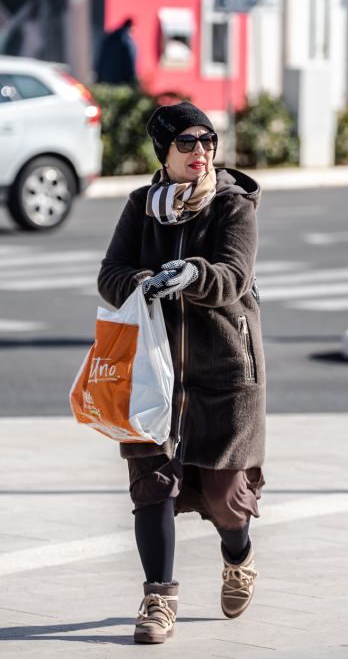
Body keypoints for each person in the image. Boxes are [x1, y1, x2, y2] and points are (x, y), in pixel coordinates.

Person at [97, 102, 265, 645]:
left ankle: (238, 555)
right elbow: (110, 274)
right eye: (187, 142)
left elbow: (234, 276)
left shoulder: (232, 204)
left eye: (207, 140)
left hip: (224, 369)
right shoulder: (141, 206)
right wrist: (143, 282)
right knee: (152, 485)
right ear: (164, 153)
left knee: (225, 496)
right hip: (153, 370)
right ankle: (158, 599)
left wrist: (193, 273)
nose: (201, 152)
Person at [96, 18, 138, 85]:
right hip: (120, 83)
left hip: (104, 81)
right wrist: (134, 83)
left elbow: (100, 61)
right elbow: (130, 65)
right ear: (131, 28)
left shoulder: (108, 40)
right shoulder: (127, 43)